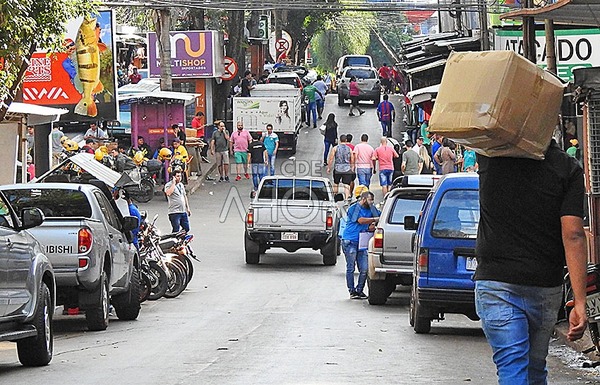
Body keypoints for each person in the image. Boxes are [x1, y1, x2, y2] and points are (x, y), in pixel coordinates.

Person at [474, 139, 587, 384]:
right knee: (535, 369)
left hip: (495, 283)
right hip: (544, 285)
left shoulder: (490, 153)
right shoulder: (567, 168)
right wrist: (580, 300)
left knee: (513, 366)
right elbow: (574, 234)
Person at [341, 190, 380, 299]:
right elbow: (361, 221)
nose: (371, 202)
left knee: (364, 268)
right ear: (363, 199)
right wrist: (374, 220)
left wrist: (373, 224)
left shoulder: (372, 209)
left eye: (372, 200)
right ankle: (352, 291)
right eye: (369, 200)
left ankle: (359, 290)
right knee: (351, 267)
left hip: (362, 242)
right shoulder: (355, 208)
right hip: (350, 241)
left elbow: (380, 217)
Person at [327, 134, 355, 200]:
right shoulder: (349, 149)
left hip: (337, 169)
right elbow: (352, 159)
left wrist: (329, 167)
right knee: (346, 185)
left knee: (336, 183)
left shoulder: (335, 148)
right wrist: (352, 167)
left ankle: (335, 196)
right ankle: (346, 198)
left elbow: (331, 158)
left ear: (340, 140)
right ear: (346, 140)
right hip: (347, 169)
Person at [247, 132, 268, 197]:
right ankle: (261, 187)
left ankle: (256, 187)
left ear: (252, 138)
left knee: (255, 176)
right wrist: (266, 160)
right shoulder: (261, 144)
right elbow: (265, 152)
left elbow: (249, 155)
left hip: (254, 162)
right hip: (261, 161)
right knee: (261, 175)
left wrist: (248, 163)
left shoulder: (251, 145)